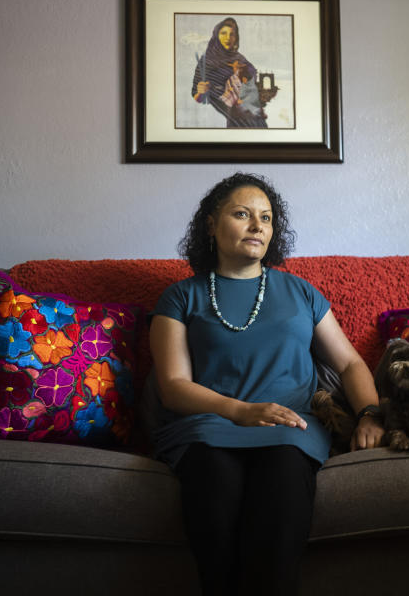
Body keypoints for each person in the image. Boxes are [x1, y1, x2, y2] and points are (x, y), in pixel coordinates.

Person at [149, 172, 384, 595]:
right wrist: (239, 410)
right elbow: (172, 385)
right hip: (209, 426)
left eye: (266, 217)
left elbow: (349, 363)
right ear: (210, 224)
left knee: (278, 513)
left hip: (291, 428)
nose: (258, 226)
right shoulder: (181, 297)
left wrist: (369, 413)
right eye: (242, 214)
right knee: (214, 492)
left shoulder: (302, 292)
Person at [191, 17, 268, 128]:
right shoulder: (205, 62)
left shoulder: (239, 58)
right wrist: (201, 92)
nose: (228, 38)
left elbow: (253, 78)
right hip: (232, 119)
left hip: (255, 116)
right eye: (223, 33)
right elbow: (199, 98)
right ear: (216, 35)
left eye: (232, 34)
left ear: (236, 37)